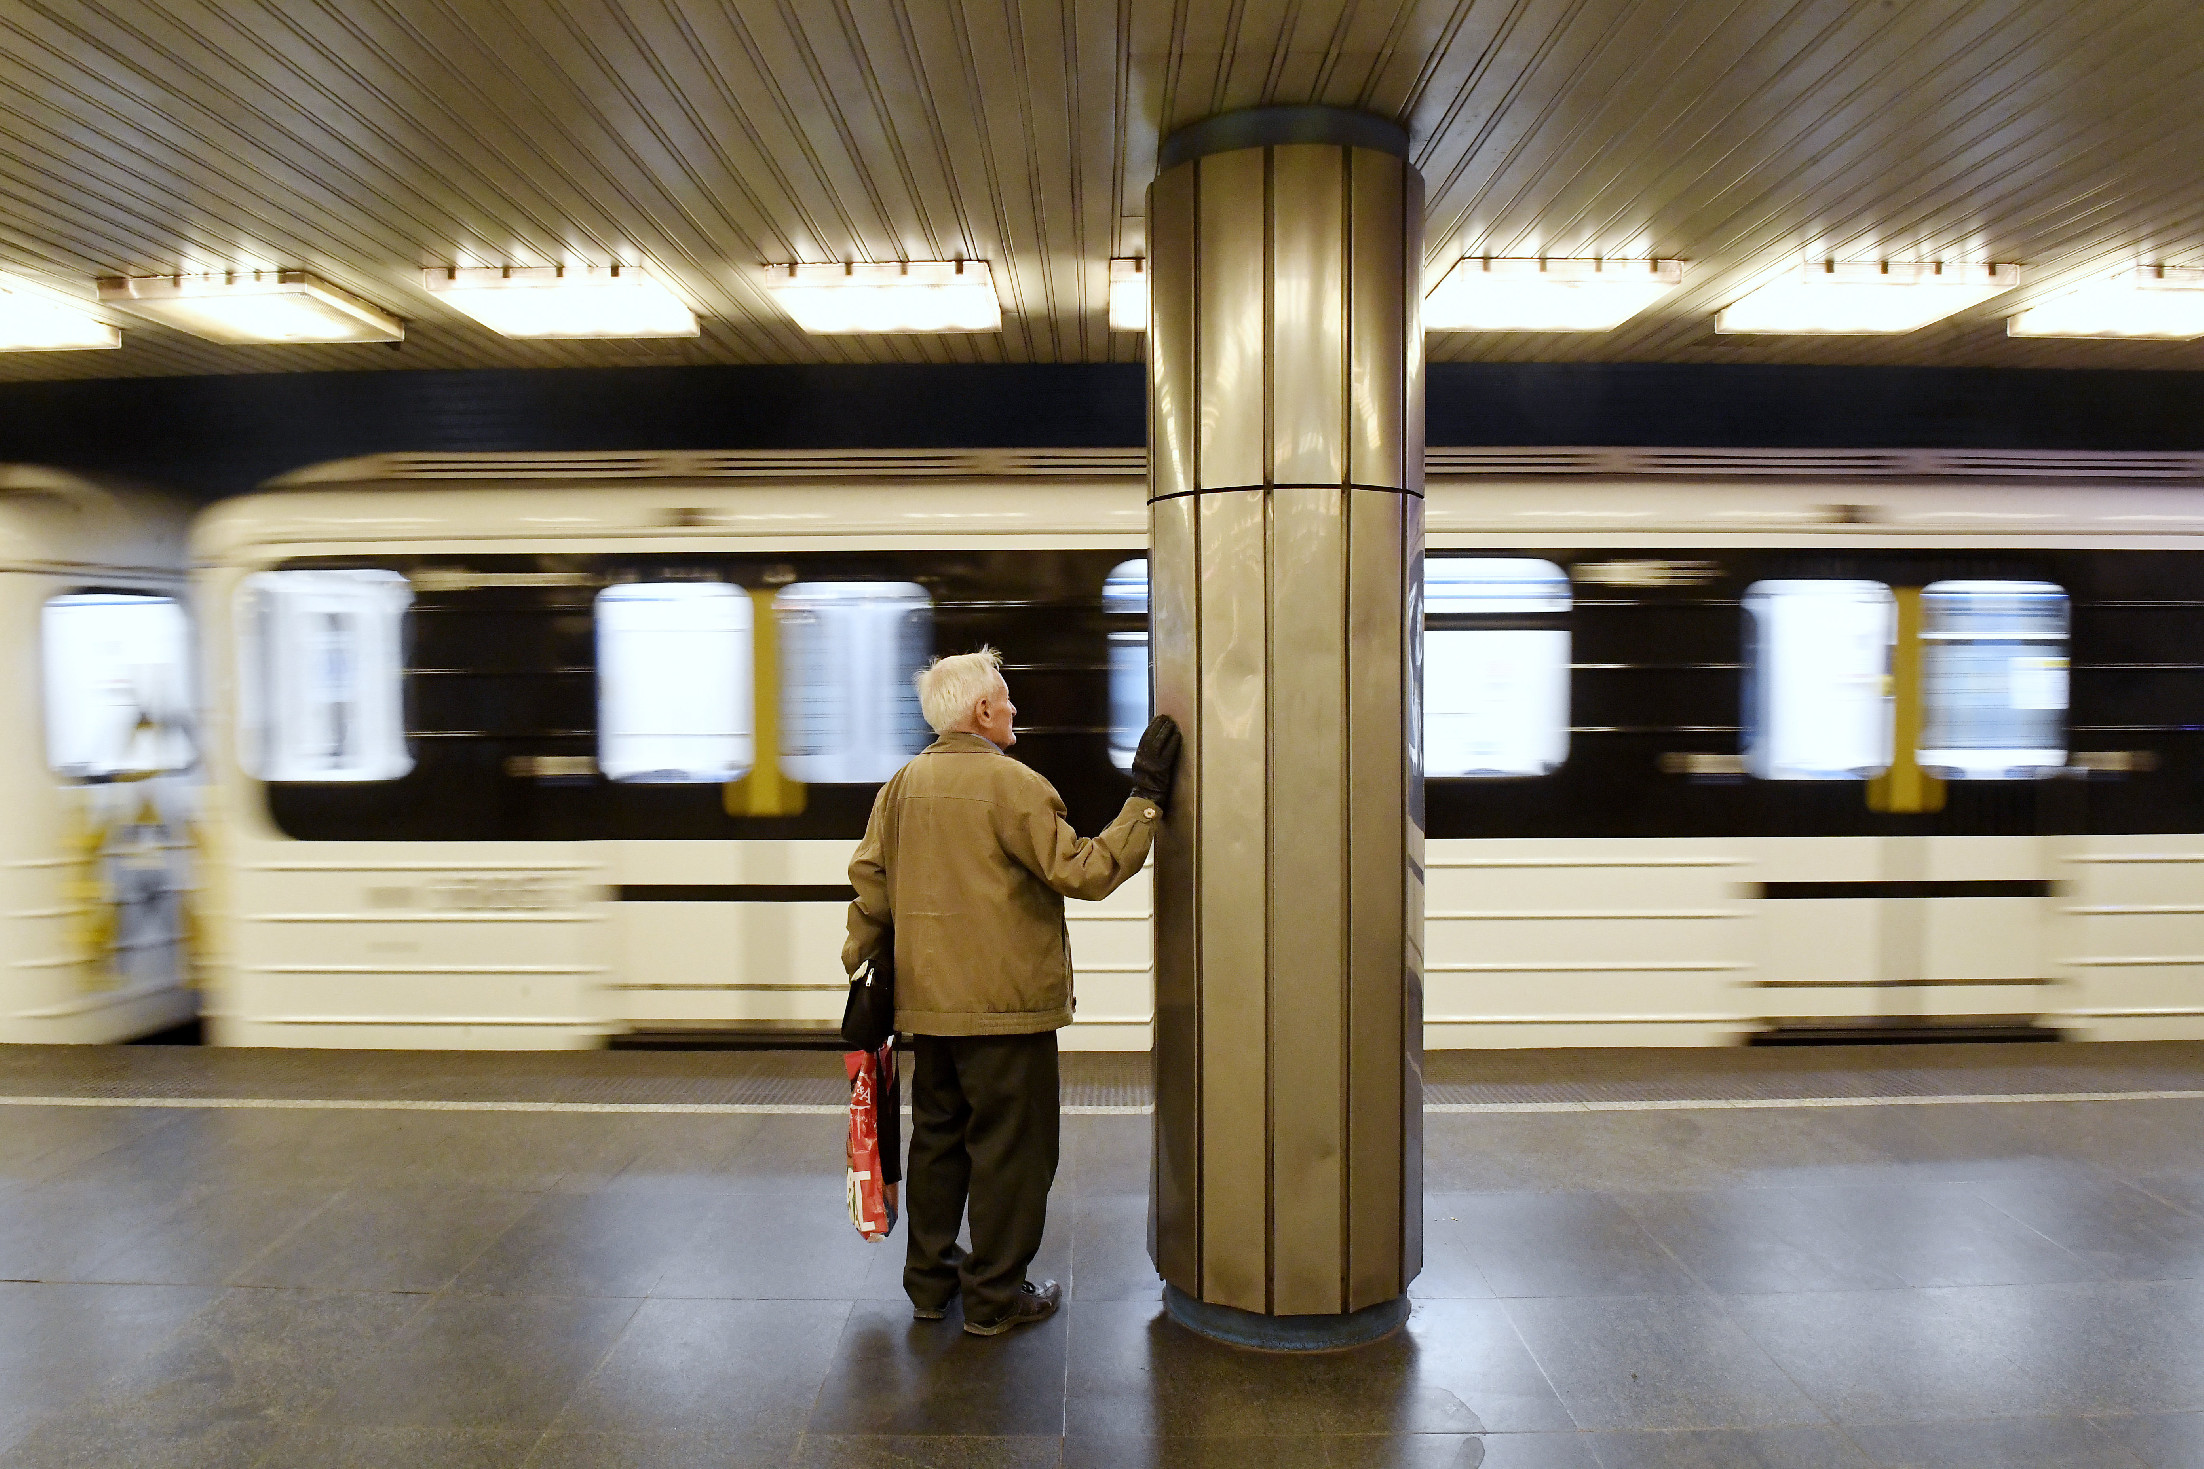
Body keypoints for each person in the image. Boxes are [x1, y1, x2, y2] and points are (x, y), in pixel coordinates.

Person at [844, 646, 1181, 1336]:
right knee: (1013, 1152)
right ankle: (996, 1294)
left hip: (927, 1009)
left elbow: (870, 888)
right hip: (1006, 1013)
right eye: (1006, 696)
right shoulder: (1015, 785)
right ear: (981, 710)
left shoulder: (899, 787)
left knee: (937, 1140)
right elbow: (1085, 870)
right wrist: (1145, 799)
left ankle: (932, 1286)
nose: (1015, 707)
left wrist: (861, 967)